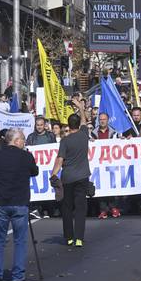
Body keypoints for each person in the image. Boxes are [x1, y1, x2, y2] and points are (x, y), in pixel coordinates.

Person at [0, 128, 39, 281]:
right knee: (20, 241)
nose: (24, 142)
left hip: (0, 202)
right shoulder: (25, 156)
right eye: (22, 139)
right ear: (16, 141)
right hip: (19, 202)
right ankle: (18, 277)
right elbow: (34, 171)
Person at [51, 99, 90, 247]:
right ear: (78, 124)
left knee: (67, 208)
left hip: (68, 178)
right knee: (80, 208)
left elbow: (60, 160)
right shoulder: (84, 135)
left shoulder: (65, 141)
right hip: (82, 177)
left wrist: (53, 174)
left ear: (68, 125)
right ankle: (79, 238)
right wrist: (80, 107)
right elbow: (85, 122)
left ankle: (69, 237)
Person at [91, 112, 122, 219]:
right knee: (101, 187)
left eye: (104, 119)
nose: (102, 121)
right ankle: (103, 210)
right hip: (98, 164)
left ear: (108, 120)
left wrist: (123, 141)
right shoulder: (93, 133)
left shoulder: (114, 133)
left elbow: (119, 145)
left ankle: (114, 208)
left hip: (111, 162)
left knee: (112, 185)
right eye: (100, 119)